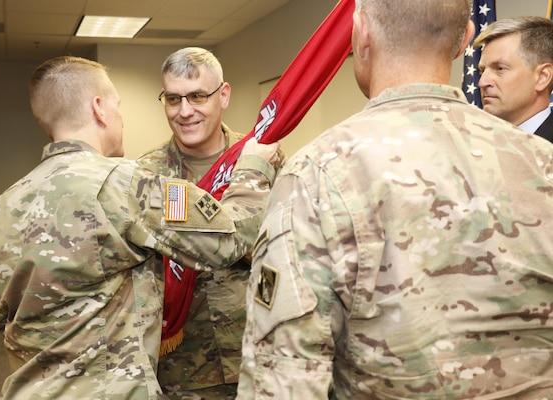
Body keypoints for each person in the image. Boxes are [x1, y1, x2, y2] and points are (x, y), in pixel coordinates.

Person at [237, 0, 553, 398]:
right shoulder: (543, 162)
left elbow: (284, 378)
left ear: (361, 33)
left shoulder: (318, 172)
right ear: (465, 42)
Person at [0, 55, 280, 400]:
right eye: (118, 105)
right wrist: (253, 168)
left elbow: (7, 322)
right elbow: (229, 237)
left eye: (197, 97)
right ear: (100, 108)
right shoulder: (124, 184)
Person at [138, 47, 282, 400]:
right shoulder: (146, 175)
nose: (184, 111)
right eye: (173, 99)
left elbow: (289, 246)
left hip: (259, 350)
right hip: (186, 367)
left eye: (197, 96)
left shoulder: (262, 158)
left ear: (224, 95)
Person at [475, 16, 553, 141]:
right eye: (482, 71)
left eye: (500, 69)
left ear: (542, 77)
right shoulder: (474, 142)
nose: (482, 82)